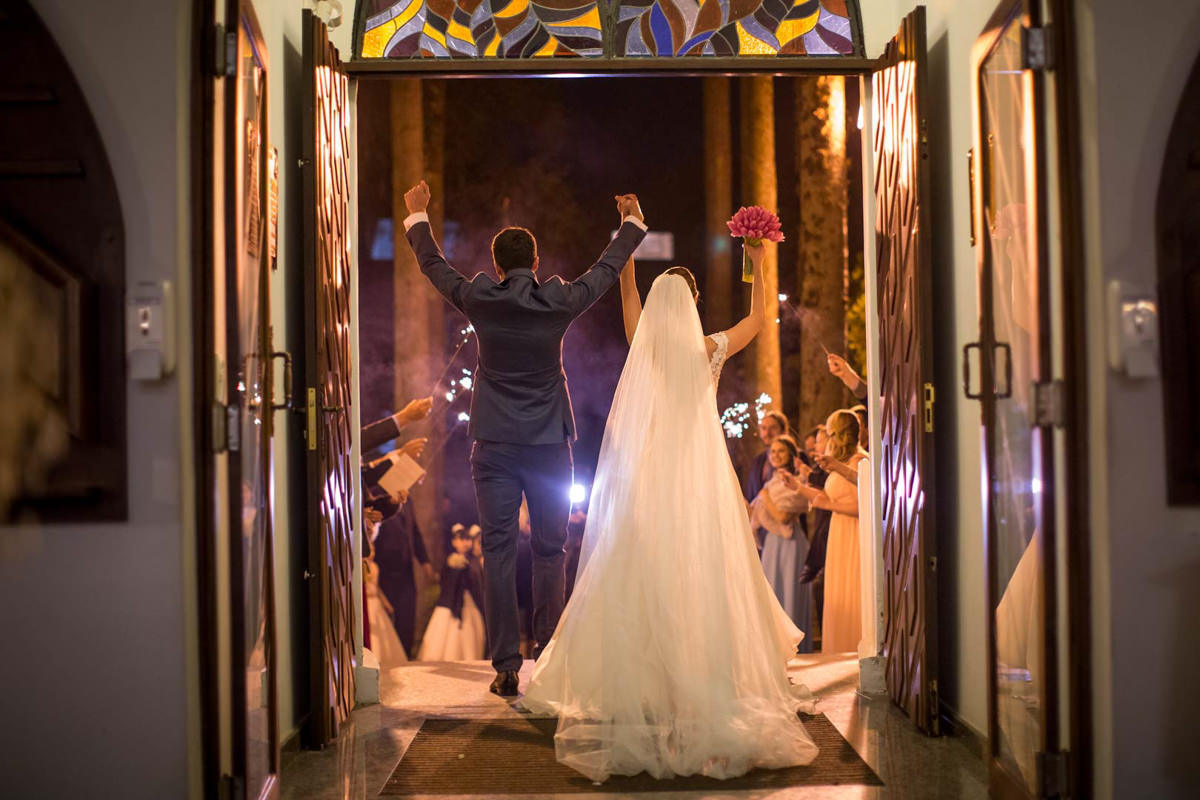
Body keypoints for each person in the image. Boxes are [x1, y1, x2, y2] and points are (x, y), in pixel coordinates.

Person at [522, 244, 818, 782]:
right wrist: (757, 263)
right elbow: (757, 319)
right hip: (700, 479)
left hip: (649, 476)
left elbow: (628, 297)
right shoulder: (709, 350)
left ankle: (647, 680)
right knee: (701, 574)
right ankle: (700, 676)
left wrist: (628, 247)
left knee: (641, 572)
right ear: (693, 304)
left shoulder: (646, 349)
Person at [401, 179, 647, 697]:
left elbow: (434, 266)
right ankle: (549, 654)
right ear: (535, 263)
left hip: (493, 447)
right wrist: (630, 224)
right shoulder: (557, 301)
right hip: (550, 446)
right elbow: (604, 272)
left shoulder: (480, 298)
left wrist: (419, 216)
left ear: (497, 267)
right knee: (551, 550)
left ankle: (506, 667)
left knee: (498, 551)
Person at [800, 410, 866, 654]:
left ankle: (855, 645)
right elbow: (827, 498)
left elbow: (863, 505)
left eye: (829, 434)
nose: (827, 440)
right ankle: (840, 647)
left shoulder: (859, 462)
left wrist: (829, 505)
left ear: (839, 434)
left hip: (854, 533)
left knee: (853, 589)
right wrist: (797, 487)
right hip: (840, 532)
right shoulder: (841, 464)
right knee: (838, 590)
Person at [749, 434, 814, 653]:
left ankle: (795, 648)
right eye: (773, 451)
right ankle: (775, 648)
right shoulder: (772, 481)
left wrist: (766, 498)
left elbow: (783, 517)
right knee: (773, 594)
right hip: (772, 543)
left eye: (781, 451)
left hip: (790, 544)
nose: (776, 455)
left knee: (789, 594)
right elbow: (756, 512)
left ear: (791, 454)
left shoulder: (796, 481)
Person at [418, 526, 487, 661]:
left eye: (467, 539)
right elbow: (445, 584)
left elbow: (478, 585)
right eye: (461, 539)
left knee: (470, 632)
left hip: (469, 603)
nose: (465, 543)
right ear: (454, 542)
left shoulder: (473, 562)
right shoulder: (449, 561)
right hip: (449, 604)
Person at [374, 498, 433, 655]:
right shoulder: (378, 496)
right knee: (388, 616)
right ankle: (390, 656)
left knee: (408, 615)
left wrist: (425, 561)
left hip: (406, 570)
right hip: (385, 569)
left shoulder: (408, 501)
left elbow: (414, 532)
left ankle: (406, 654)